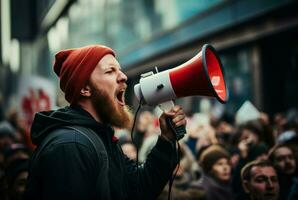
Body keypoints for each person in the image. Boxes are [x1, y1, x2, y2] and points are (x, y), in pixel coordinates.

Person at [24, 45, 186, 200]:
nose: (123, 76)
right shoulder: (71, 145)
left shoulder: (100, 137)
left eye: (120, 70)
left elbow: (137, 190)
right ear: (85, 89)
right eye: (110, 71)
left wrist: (166, 139)